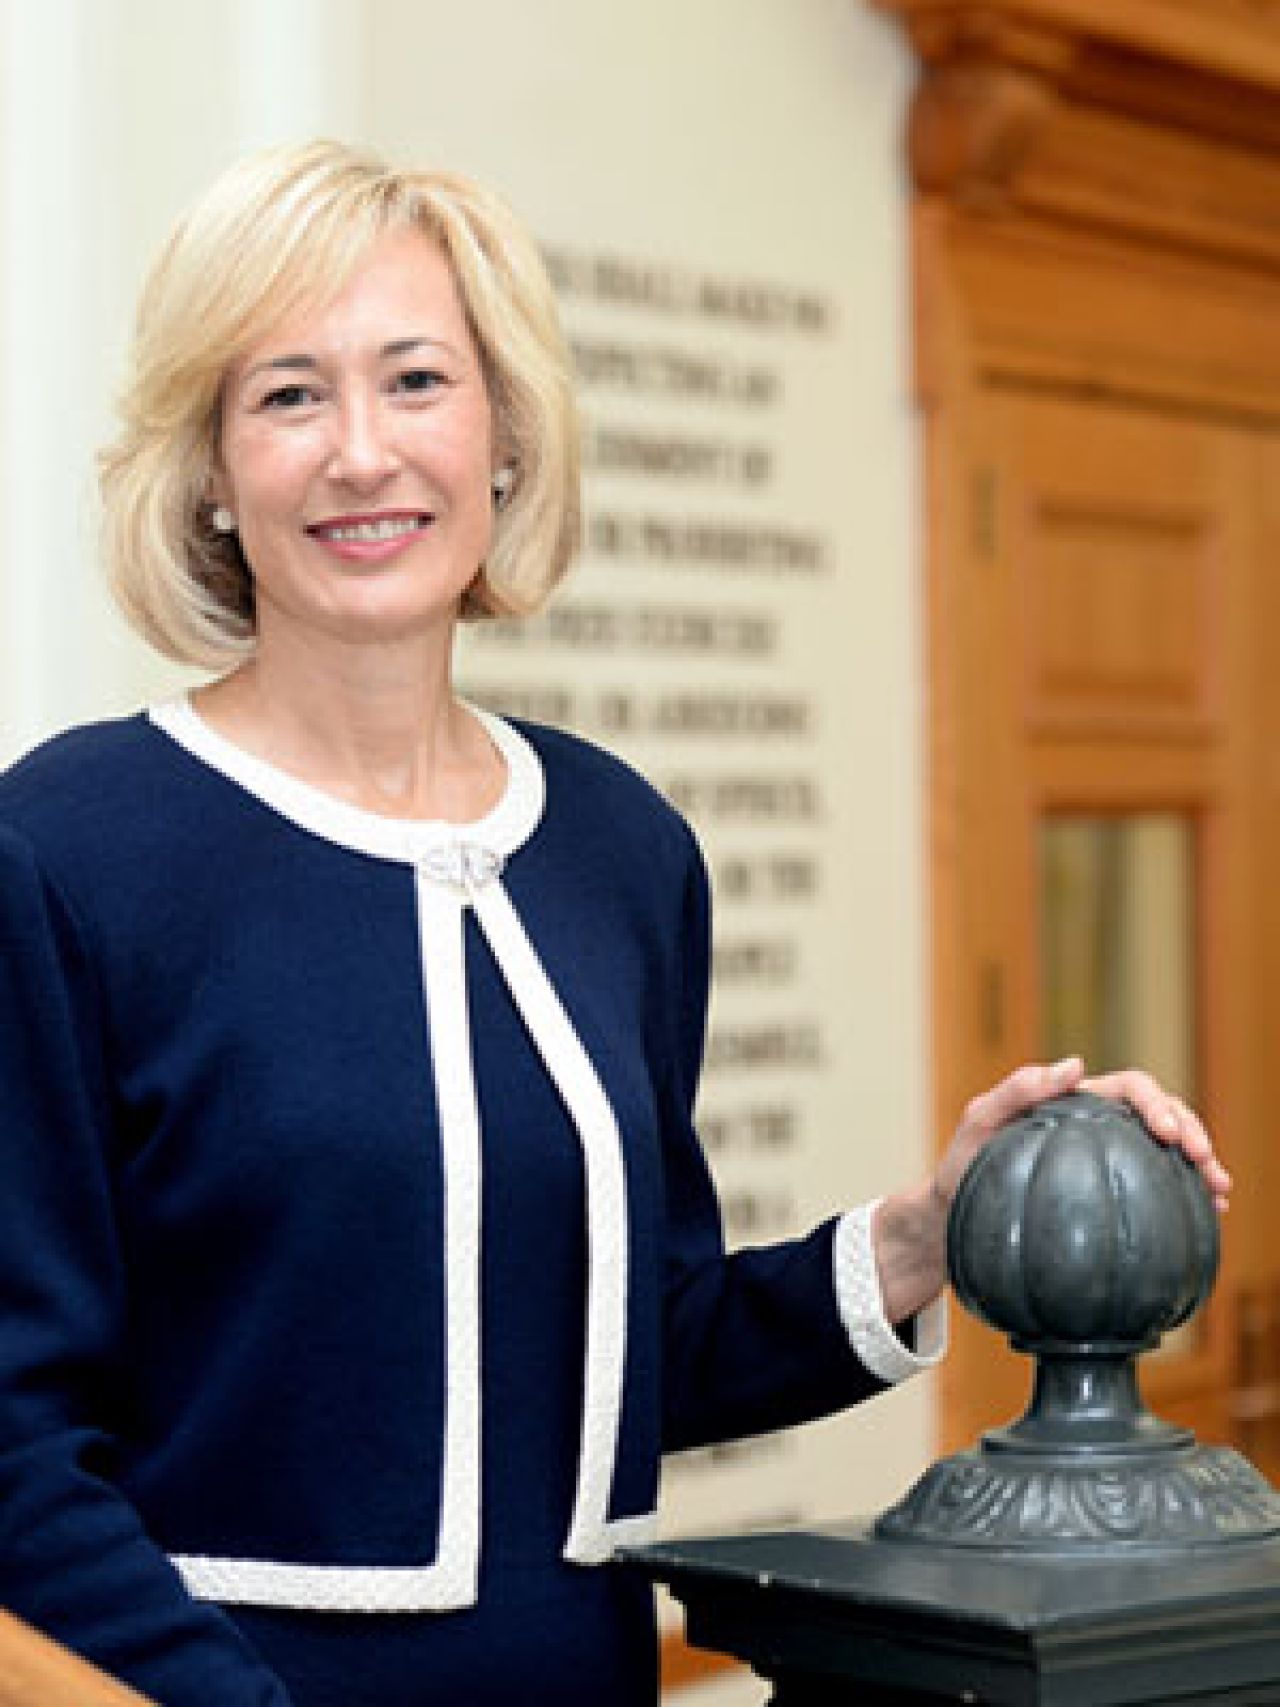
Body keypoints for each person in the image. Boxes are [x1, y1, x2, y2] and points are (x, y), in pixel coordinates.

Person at [0, 140, 1229, 1707]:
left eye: (418, 380)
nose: (362, 452)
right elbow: (16, 1446)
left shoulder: (618, 850)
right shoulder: (65, 849)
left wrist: (925, 1235)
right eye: (289, 395)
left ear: (504, 436)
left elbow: (627, 1349)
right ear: (212, 475)